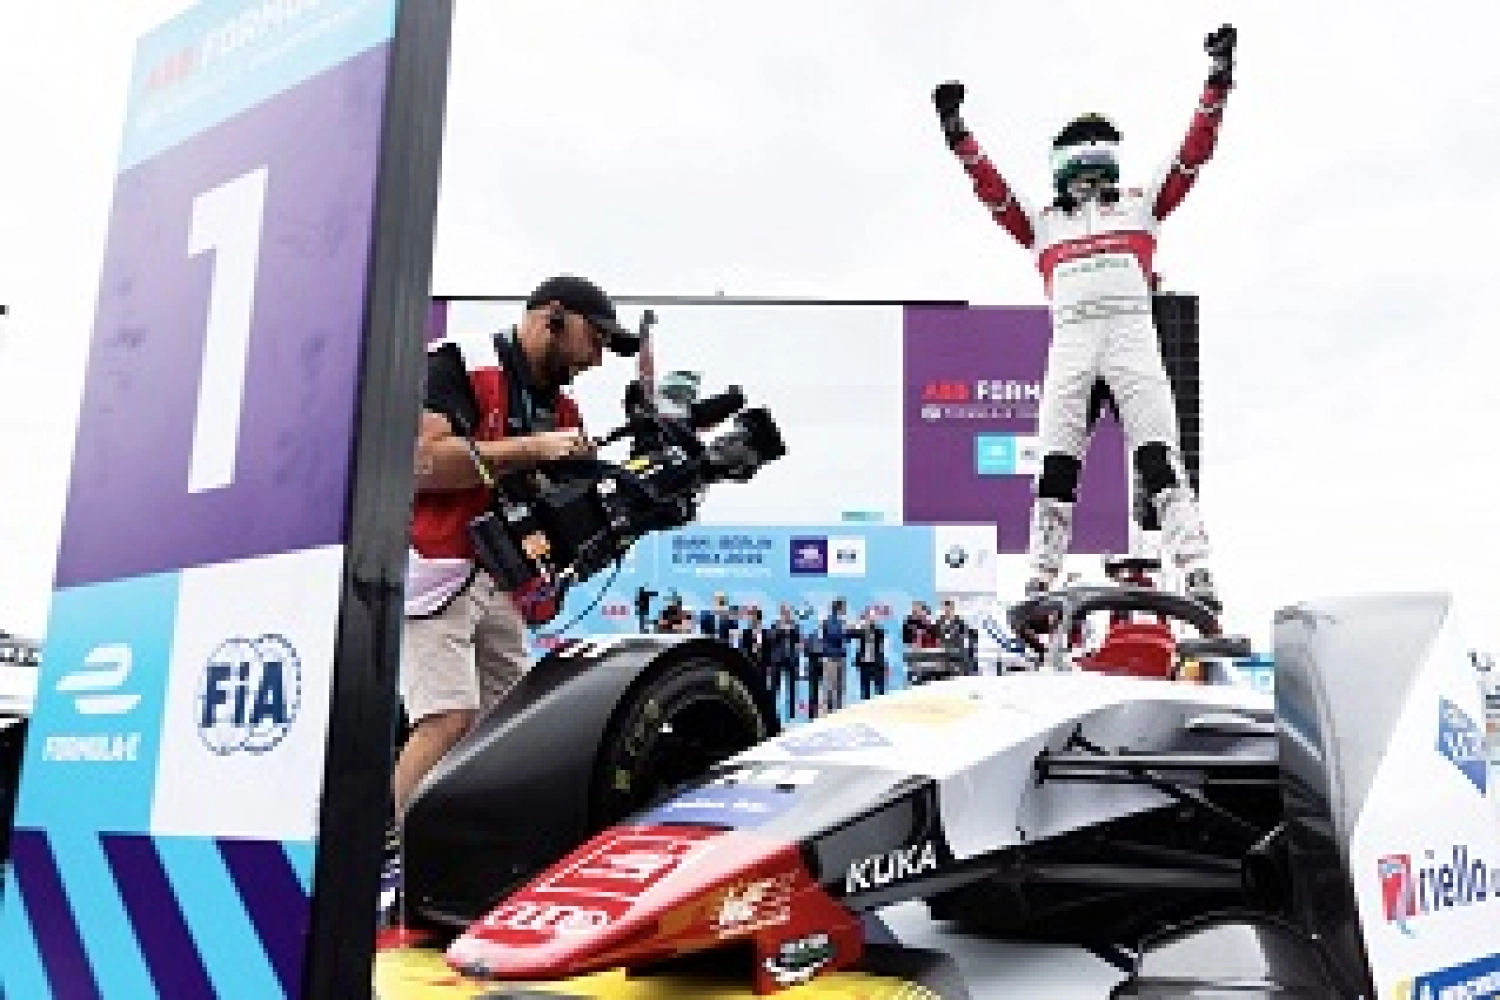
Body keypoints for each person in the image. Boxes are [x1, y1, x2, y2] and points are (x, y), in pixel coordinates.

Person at [932, 24, 1237, 614]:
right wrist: (958, 133)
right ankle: (1041, 576)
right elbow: (992, 191)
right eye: (1082, 161)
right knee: (1056, 464)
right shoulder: (1044, 222)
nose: (1091, 176)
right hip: (1071, 344)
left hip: (1130, 337)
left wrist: (1217, 80)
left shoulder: (1140, 205)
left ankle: (1195, 566)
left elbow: (1192, 155)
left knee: (1159, 457)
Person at [395, 274, 635, 818]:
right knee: (447, 721)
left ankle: (485, 851)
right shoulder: (463, 360)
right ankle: (409, 855)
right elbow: (422, 463)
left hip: (502, 580)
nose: (597, 359)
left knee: (510, 732)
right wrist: (533, 449)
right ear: (553, 317)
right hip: (435, 572)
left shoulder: (564, 411)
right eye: (595, 339)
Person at [815, 599, 854, 716]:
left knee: (840, 687)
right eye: (844, 608)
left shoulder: (842, 622)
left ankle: (839, 712)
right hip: (831, 658)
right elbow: (834, 635)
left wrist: (851, 631)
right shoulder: (829, 621)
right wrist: (846, 630)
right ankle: (827, 713)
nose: (846, 610)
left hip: (841, 657)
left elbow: (847, 638)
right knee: (829, 687)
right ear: (839, 608)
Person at [766, 603, 802, 720]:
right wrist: (781, 630)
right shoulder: (775, 625)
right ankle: (771, 713)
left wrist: (797, 660)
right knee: (774, 688)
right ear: (781, 613)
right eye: (785, 612)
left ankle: (791, 714)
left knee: (791, 688)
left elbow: (798, 643)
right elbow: (770, 638)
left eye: (788, 612)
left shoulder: (795, 625)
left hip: (791, 661)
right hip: (777, 661)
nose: (787, 614)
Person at [849, 608, 889, 701]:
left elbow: (883, 645)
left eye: (872, 617)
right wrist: (858, 623)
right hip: (864, 664)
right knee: (865, 690)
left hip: (877, 664)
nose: (870, 619)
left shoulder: (879, 630)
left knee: (880, 690)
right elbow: (849, 633)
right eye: (868, 617)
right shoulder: (861, 630)